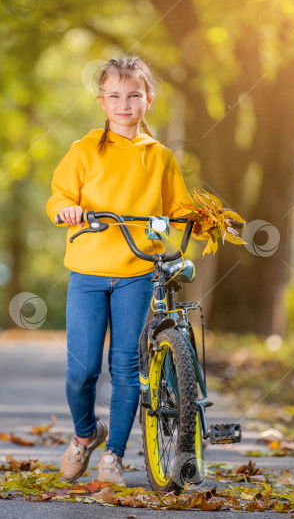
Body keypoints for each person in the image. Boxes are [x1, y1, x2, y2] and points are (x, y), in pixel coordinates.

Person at [45, 56, 196, 485]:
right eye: (114, 96)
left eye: (133, 96)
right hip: (88, 272)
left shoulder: (160, 157)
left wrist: (198, 217)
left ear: (148, 100)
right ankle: (86, 434)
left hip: (136, 272)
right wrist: (68, 209)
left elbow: (179, 207)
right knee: (81, 371)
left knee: (127, 367)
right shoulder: (84, 150)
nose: (123, 104)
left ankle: (113, 456)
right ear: (102, 102)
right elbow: (57, 198)